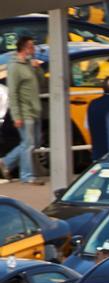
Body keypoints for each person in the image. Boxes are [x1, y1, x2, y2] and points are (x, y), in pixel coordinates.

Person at [0, 36, 41, 184]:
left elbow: (41, 82)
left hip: (34, 109)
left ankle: (6, 162)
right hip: (24, 111)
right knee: (28, 144)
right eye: (32, 46)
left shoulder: (29, 63)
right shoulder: (15, 66)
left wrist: (37, 69)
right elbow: (13, 92)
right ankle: (27, 176)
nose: (34, 49)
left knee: (33, 143)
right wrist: (17, 115)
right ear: (25, 48)